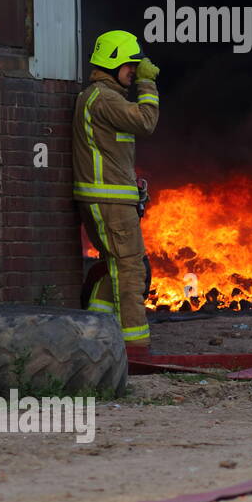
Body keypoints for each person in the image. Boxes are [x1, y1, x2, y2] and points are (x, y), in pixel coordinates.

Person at [73, 30, 161, 363]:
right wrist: (148, 85)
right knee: (130, 270)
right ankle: (135, 351)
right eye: (130, 65)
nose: (134, 71)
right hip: (108, 201)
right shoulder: (105, 98)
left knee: (117, 266)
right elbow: (147, 121)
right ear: (112, 62)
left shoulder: (104, 98)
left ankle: (97, 333)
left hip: (111, 198)